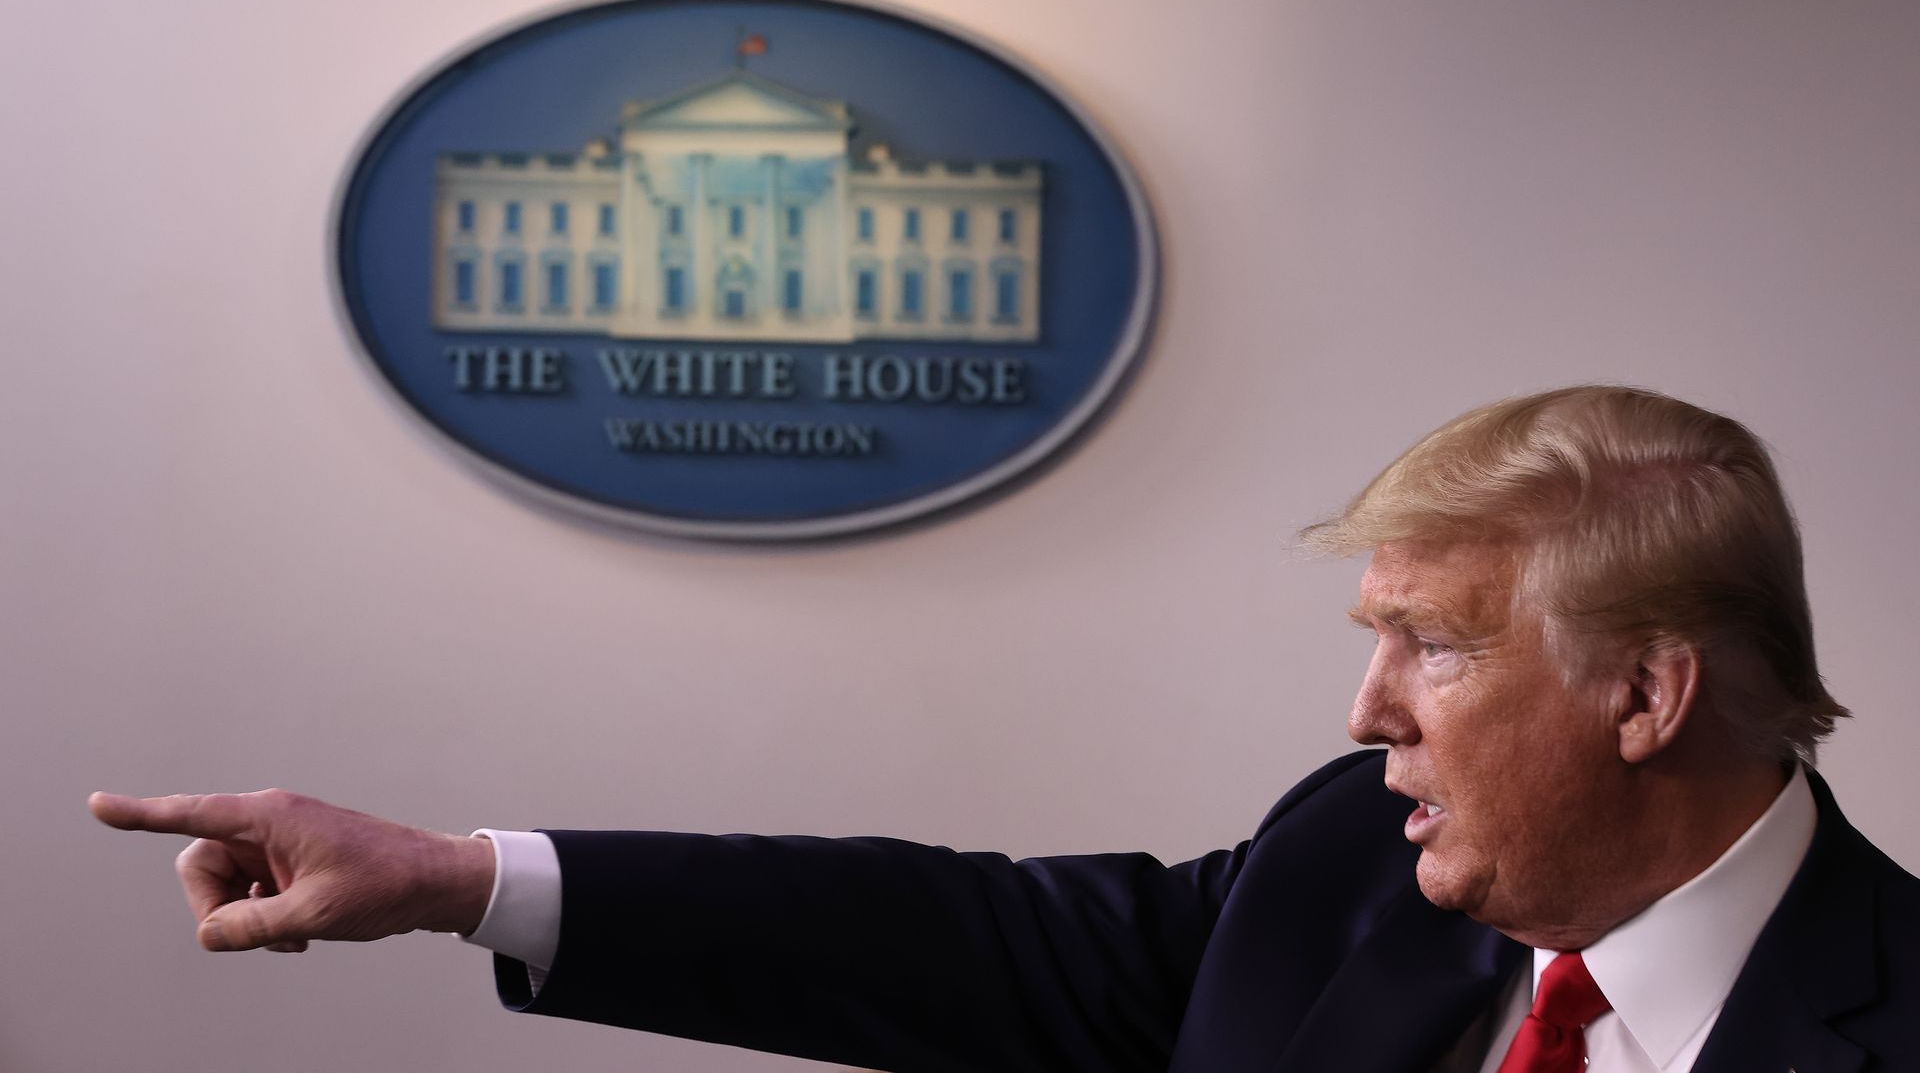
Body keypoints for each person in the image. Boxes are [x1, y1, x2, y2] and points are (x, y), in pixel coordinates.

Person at [92, 385, 1919, 1072]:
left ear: (1647, 694)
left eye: (1431, 652)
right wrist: (449, 879)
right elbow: (962, 939)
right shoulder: (1346, 864)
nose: (1365, 718)